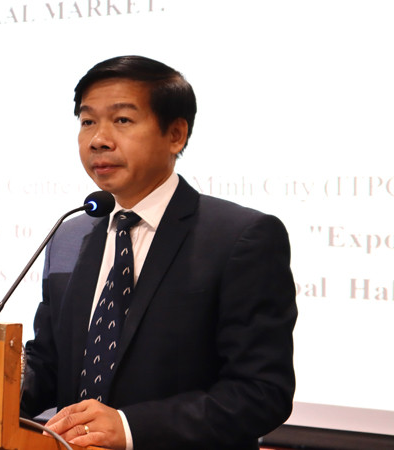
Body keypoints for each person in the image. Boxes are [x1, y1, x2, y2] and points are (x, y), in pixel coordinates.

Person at [20, 55, 297, 449]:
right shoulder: (70, 236)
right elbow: (49, 363)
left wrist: (129, 427)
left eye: (122, 120)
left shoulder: (241, 238)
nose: (98, 139)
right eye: (87, 121)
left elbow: (261, 392)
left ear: (176, 135)